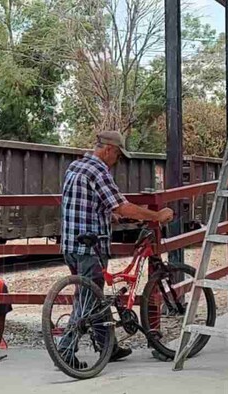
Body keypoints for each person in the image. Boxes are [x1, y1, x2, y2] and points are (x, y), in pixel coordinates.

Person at [59, 130, 174, 368]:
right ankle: (65, 350)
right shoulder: (98, 170)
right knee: (88, 300)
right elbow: (123, 206)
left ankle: (107, 346)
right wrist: (157, 216)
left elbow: (85, 205)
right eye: (118, 155)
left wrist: (111, 218)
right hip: (91, 246)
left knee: (95, 295)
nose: (117, 161)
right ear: (109, 149)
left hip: (70, 243)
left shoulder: (75, 167)